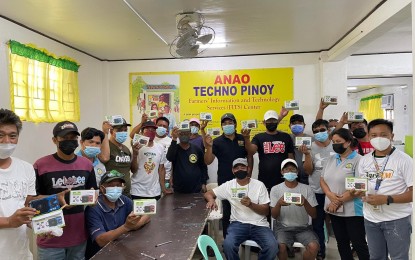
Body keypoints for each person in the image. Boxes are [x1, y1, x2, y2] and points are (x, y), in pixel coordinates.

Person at [34, 121, 97, 260]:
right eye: (64, 138)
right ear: (54, 140)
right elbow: (31, 199)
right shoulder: (41, 165)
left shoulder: (86, 165)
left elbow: (93, 193)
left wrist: (93, 199)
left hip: (79, 236)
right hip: (51, 237)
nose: (69, 141)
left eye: (73, 138)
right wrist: (55, 199)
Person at [357, 119, 412, 260]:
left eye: (383, 135)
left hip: (396, 219)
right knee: (376, 257)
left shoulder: (404, 160)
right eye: (374, 135)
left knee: (399, 257)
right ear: (368, 136)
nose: (378, 139)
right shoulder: (364, 160)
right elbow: (361, 186)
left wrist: (387, 199)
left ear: (391, 136)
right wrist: (358, 192)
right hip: (371, 218)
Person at [204, 158, 278, 260]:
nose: (240, 170)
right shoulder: (229, 185)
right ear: (232, 170)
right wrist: (211, 200)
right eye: (237, 168)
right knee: (228, 245)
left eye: (243, 167)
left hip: (260, 225)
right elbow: (208, 193)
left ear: (248, 169)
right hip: (238, 224)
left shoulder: (259, 185)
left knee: (272, 247)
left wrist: (251, 205)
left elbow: (266, 211)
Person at [320, 128, 369, 260]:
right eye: (333, 141)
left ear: (348, 142)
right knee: (341, 242)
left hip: (353, 210)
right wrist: (329, 195)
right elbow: (322, 179)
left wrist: (337, 201)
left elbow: (359, 186)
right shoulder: (331, 159)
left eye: (338, 141)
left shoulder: (359, 160)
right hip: (334, 209)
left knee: (358, 243)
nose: (335, 144)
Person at [203, 112, 253, 238]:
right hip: (225, 181)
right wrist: (209, 147)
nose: (227, 125)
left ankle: (245, 239)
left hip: (242, 180)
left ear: (235, 124)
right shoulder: (217, 141)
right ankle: (228, 240)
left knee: (244, 209)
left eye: (230, 122)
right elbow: (208, 161)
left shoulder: (243, 138)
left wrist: (249, 173)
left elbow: (250, 155)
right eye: (224, 123)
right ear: (221, 126)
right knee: (227, 211)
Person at [85, 170, 150, 259]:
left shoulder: (123, 200)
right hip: (100, 254)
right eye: (111, 185)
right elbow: (101, 240)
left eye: (118, 185)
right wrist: (127, 227)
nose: (115, 188)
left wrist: (135, 225)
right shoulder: (93, 208)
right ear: (102, 188)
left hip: (121, 249)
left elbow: (147, 213)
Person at [0, 108, 37, 259]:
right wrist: (9, 221)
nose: (6, 141)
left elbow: (26, 208)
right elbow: (12, 220)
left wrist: (39, 225)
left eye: (12, 136)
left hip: (21, 253)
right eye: (0, 135)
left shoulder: (26, 168)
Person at [299, 119, 334, 260]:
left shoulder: (336, 145)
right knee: (317, 224)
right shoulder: (310, 147)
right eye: (316, 131)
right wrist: (307, 155)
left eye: (322, 130)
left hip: (334, 192)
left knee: (337, 223)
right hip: (316, 191)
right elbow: (307, 171)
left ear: (328, 130)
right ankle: (320, 252)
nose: (319, 133)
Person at [270, 159, 319, 260]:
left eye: (293, 169)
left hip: (303, 228)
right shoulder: (275, 189)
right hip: (282, 227)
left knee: (314, 247)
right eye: (287, 169)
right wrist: (279, 204)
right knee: (280, 246)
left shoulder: (307, 189)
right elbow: (273, 216)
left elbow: (314, 215)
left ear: (297, 172)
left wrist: (305, 202)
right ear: (282, 172)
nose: (290, 172)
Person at [243, 110, 295, 192]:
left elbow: (291, 157)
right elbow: (251, 151)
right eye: (269, 121)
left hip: (284, 178)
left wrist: (292, 173)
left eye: (274, 120)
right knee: (267, 204)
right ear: (264, 122)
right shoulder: (259, 137)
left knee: (284, 203)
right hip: (265, 179)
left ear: (277, 122)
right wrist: (246, 138)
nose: (271, 122)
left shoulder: (286, 137)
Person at [131, 121, 169, 200]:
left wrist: (163, 188)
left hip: (154, 191)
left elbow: (161, 169)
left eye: (153, 130)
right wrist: (135, 154)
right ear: (141, 132)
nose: (150, 132)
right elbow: (133, 170)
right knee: (136, 213)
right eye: (147, 129)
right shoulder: (135, 147)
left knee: (156, 212)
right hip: (137, 190)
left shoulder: (160, 147)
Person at [166, 126, 208, 193]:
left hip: (196, 188)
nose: (184, 135)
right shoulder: (174, 148)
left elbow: (203, 167)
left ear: (190, 135)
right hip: (179, 189)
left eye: (186, 133)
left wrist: (204, 183)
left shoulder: (197, 149)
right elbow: (169, 157)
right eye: (181, 134)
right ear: (178, 135)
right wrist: (174, 138)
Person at [104, 117, 138, 197]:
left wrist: (135, 154)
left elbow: (133, 170)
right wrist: (105, 133)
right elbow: (104, 159)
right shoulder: (107, 147)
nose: (123, 132)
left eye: (125, 130)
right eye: (119, 130)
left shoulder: (126, 149)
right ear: (112, 131)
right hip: (112, 193)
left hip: (126, 193)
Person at [288, 114, 312, 185]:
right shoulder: (287, 138)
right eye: (294, 123)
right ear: (289, 126)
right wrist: (281, 116)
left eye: (299, 123)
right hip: (292, 176)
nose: (297, 125)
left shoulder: (312, 139)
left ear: (304, 125)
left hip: (309, 176)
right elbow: (273, 131)